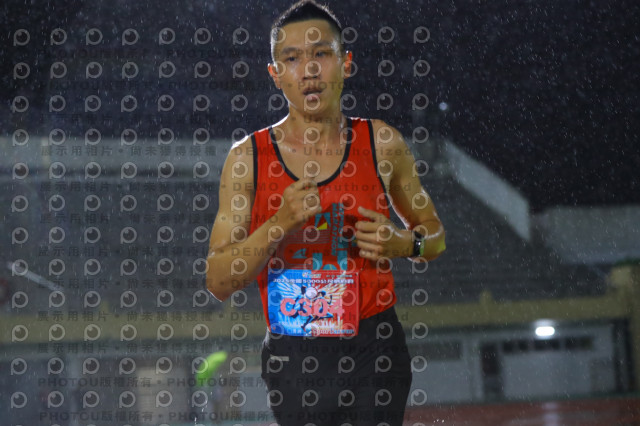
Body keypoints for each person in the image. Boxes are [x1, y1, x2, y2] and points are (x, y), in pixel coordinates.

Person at [206, 1, 446, 424]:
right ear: (275, 74)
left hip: (375, 344)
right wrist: (279, 223)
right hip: (295, 354)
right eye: (292, 59)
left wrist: (405, 244)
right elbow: (218, 281)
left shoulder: (382, 143)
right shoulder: (247, 159)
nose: (309, 70)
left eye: (321, 54)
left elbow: (436, 239)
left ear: (346, 63)